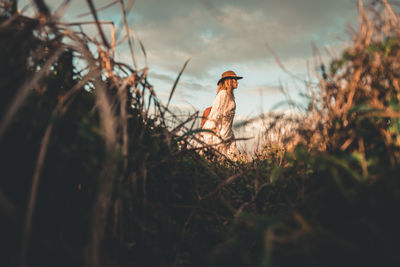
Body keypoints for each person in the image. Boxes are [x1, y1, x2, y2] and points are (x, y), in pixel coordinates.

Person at [200, 70, 242, 160]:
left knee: (234, 161)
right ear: (229, 81)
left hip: (228, 134)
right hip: (219, 134)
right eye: (235, 79)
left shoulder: (230, 96)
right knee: (215, 160)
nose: (237, 82)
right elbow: (215, 113)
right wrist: (213, 130)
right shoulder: (222, 94)